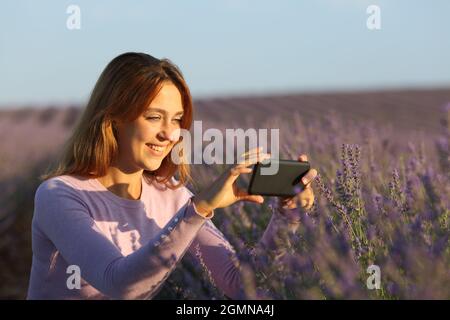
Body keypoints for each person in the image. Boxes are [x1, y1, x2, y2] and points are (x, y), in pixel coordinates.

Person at [27, 52, 318, 299]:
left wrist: (287, 216)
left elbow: (239, 284)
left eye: (177, 119)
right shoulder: (60, 195)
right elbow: (119, 284)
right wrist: (200, 209)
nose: (169, 134)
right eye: (154, 117)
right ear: (113, 119)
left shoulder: (172, 196)